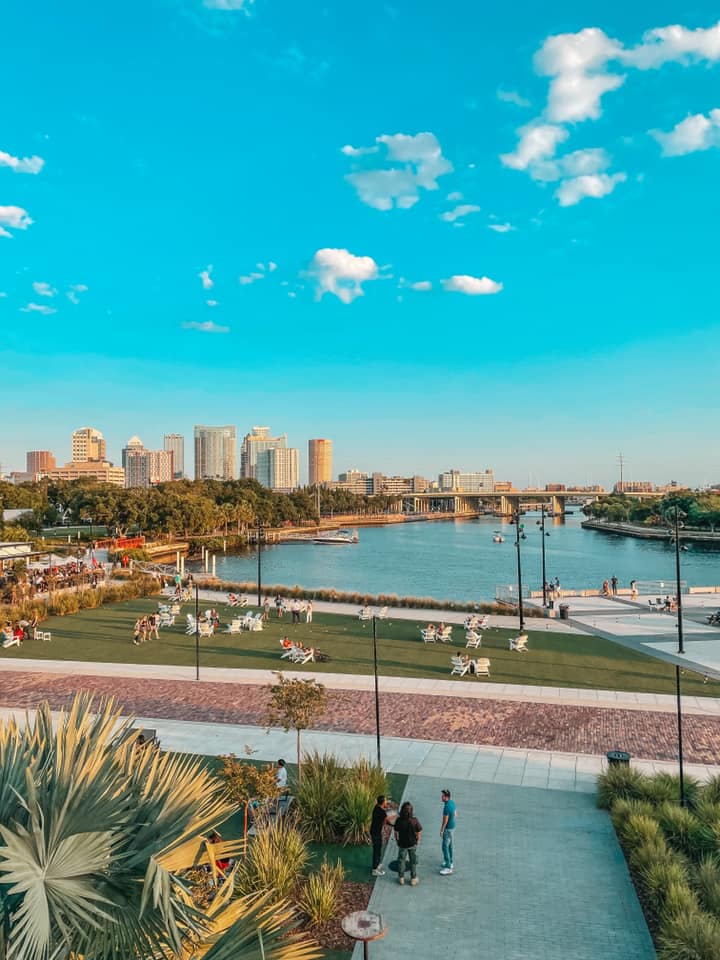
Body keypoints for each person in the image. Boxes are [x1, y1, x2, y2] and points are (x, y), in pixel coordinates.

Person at [394, 801, 422, 886]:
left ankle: (401, 878)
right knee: (413, 861)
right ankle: (413, 879)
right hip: (412, 844)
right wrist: (418, 840)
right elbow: (419, 831)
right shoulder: (414, 820)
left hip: (402, 844)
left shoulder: (399, 820)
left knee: (401, 860)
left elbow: (396, 832)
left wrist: (397, 840)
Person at [370, 795, 390, 876]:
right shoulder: (383, 813)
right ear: (382, 803)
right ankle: (375, 869)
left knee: (378, 847)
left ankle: (377, 864)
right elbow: (385, 822)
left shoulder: (376, 807)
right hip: (376, 833)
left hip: (374, 831)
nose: (386, 802)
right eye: (385, 801)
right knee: (377, 849)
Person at [439, 788, 456, 875]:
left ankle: (448, 867)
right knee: (450, 845)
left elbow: (445, 821)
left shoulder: (446, 807)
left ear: (446, 797)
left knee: (444, 847)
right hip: (453, 827)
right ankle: (450, 862)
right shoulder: (452, 803)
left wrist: (441, 830)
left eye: (443, 796)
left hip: (448, 829)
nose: (441, 797)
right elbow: (456, 814)